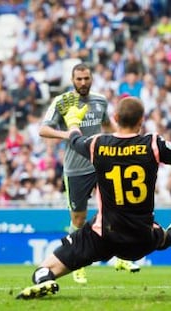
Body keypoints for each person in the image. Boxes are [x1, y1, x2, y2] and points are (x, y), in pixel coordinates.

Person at [17, 96, 171, 300]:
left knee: (43, 269)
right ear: (142, 120)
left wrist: (73, 122)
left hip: (103, 235)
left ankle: (46, 280)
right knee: (163, 237)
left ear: (115, 117)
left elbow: (74, 140)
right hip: (142, 235)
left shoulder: (98, 144)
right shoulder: (152, 143)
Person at [38, 63, 139, 284]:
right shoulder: (63, 102)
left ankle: (121, 258)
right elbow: (43, 129)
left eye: (86, 78)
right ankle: (76, 263)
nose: (83, 83)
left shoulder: (100, 100)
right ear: (72, 80)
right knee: (79, 219)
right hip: (76, 169)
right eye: (79, 79)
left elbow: (109, 126)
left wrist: (128, 138)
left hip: (101, 164)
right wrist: (69, 135)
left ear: (91, 78)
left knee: (115, 211)